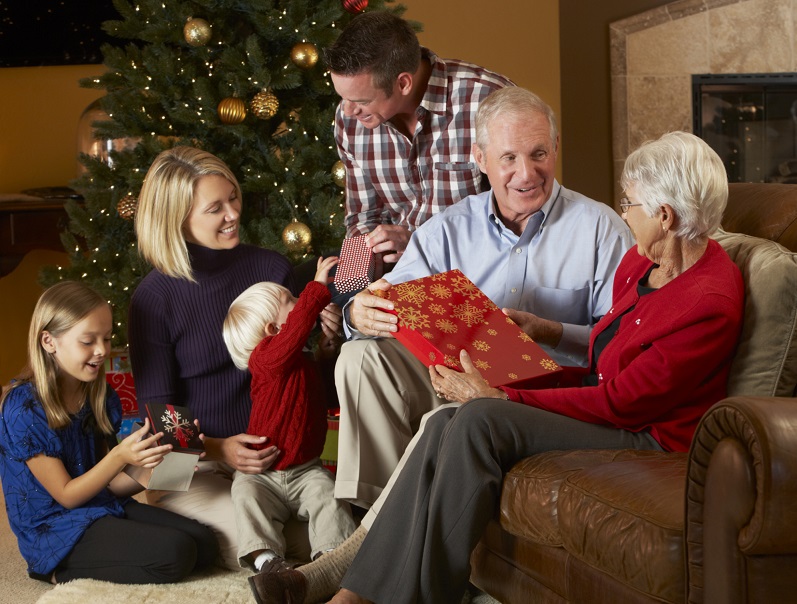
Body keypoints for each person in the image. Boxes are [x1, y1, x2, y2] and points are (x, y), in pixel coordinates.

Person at [322, 130, 746, 604]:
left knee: (480, 417)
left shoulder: (708, 301)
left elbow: (623, 402)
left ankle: (423, 594)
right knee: (447, 419)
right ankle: (356, 593)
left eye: (630, 203)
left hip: (651, 435)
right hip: (613, 406)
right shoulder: (640, 263)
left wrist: (502, 397)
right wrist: (518, 365)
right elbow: (597, 364)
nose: (624, 213)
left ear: (664, 216)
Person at [332, 87, 634, 511]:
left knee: (454, 419)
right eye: (509, 158)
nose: (527, 174)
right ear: (480, 158)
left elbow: (624, 344)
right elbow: (384, 291)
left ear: (557, 148)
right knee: (360, 357)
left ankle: (370, 546)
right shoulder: (446, 228)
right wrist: (358, 311)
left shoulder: (603, 230)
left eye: (539, 154)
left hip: (543, 399)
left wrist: (552, 331)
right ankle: (367, 514)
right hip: (447, 377)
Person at [127, 146, 343, 569]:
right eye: (215, 208)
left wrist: (327, 348)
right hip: (194, 464)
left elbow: (305, 384)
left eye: (233, 198)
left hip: (278, 463)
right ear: (178, 219)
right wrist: (219, 448)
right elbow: (162, 420)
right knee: (276, 545)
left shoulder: (269, 268)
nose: (233, 214)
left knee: (331, 532)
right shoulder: (153, 299)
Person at [0, 281, 219, 584]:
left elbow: (108, 485)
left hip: (99, 507)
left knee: (204, 543)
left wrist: (163, 461)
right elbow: (67, 496)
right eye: (88, 341)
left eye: (105, 338)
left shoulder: (100, 395)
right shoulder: (23, 408)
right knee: (176, 553)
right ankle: (55, 569)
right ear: (49, 341)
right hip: (54, 528)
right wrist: (120, 455)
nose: (102, 350)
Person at [324, 11, 514, 264]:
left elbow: (520, 220)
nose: (347, 111)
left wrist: (419, 243)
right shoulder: (349, 119)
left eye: (361, 101)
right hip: (398, 275)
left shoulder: (489, 103)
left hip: (480, 271)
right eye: (343, 98)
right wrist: (353, 286)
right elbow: (361, 218)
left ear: (403, 83)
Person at [221, 257, 356, 583]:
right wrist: (317, 289)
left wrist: (325, 354)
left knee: (328, 495)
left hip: (305, 469)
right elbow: (295, 331)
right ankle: (265, 559)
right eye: (291, 302)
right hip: (263, 474)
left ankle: (331, 558)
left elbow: (323, 395)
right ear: (273, 331)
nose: (300, 304)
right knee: (244, 492)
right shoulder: (265, 359)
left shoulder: (300, 360)